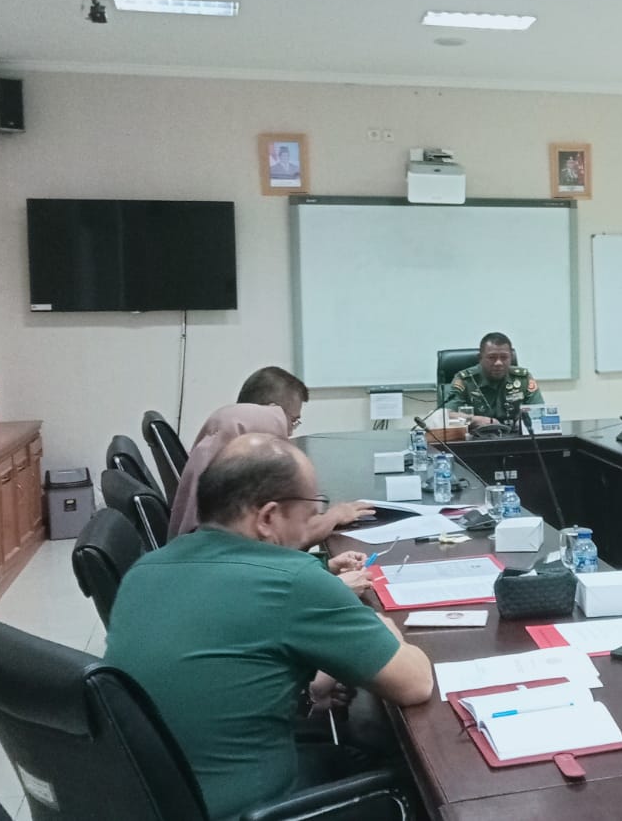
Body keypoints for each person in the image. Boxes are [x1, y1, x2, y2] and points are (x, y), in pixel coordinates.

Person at [106, 433, 435, 821]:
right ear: (267, 518)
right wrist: (385, 627)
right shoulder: (292, 580)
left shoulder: (145, 570)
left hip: (146, 798)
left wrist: (305, 693)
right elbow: (415, 684)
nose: (314, 522)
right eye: (311, 510)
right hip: (246, 808)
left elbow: (213, 670)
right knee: (413, 777)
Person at [169, 368, 374, 540]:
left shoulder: (218, 439)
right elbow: (287, 539)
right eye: (291, 421)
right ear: (270, 414)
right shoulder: (233, 485)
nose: (290, 432)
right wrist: (335, 515)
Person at [445, 332, 544, 426]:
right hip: (477, 439)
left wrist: (524, 420)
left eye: (504, 357)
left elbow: (540, 410)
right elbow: (446, 415)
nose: (498, 363)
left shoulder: (523, 378)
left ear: (511, 357)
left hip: (516, 437)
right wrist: (475, 420)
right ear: (480, 358)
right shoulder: (465, 380)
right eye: (492, 357)